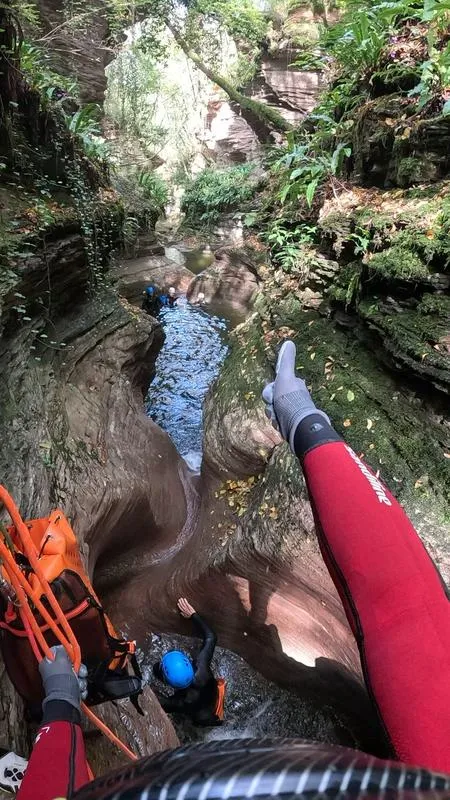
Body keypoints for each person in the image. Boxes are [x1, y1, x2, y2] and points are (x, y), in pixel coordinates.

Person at [16, 339, 450, 799]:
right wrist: (310, 428)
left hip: (198, 719)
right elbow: (413, 614)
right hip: (212, 710)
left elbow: (411, 613)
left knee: (198, 726)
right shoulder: (198, 672)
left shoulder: (180, 691)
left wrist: (60, 708)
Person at [152, 597, 222, 726]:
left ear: (167, 682)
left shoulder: (177, 703)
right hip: (214, 702)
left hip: (200, 721)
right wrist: (193, 615)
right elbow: (211, 637)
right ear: (189, 664)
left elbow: (155, 703)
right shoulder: (202, 670)